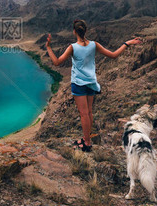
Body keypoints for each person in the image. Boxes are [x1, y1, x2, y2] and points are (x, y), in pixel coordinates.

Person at [46, 19, 142, 152]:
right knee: (89, 112)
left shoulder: (73, 47)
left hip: (79, 84)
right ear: (86, 31)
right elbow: (113, 55)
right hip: (91, 82)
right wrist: (128, 43)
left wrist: (49, 47)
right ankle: (87, 139)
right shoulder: (93, 45)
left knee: (84, 114)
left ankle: (86, 142)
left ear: (74, 32)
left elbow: (57, 62)